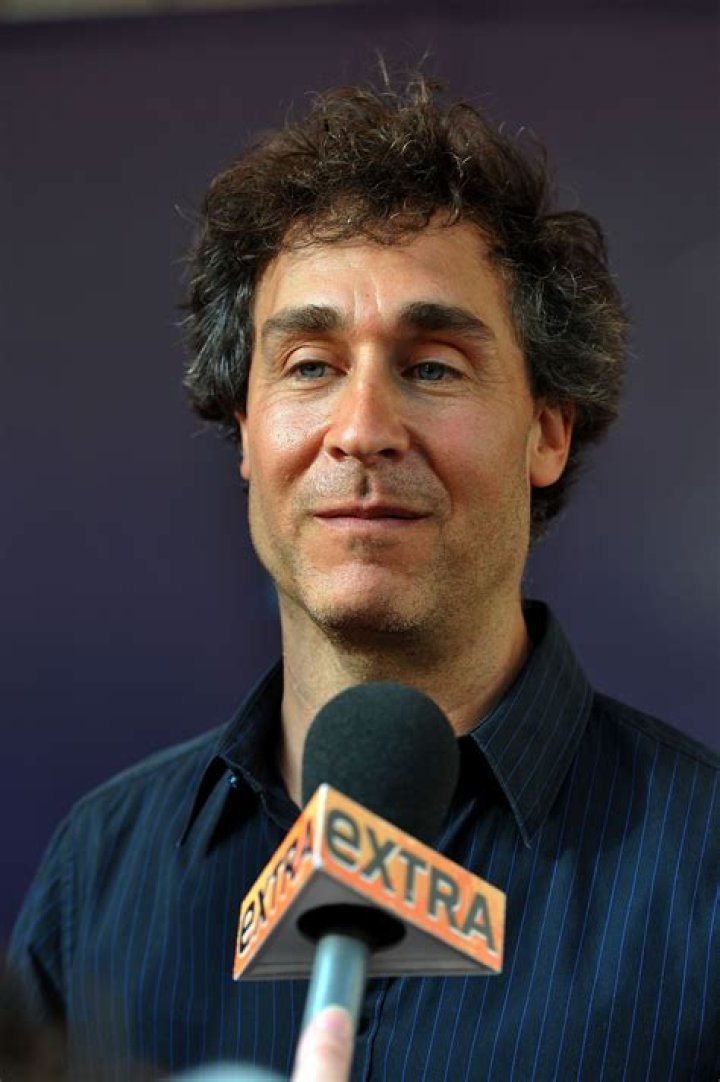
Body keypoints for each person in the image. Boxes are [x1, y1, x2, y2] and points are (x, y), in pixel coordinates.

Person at [8, 76, 718, 1081]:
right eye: (309, 364)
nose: (362, 430)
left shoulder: (706, 863)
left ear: (547, 432)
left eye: (432, 366)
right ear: (245, 433)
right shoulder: (102, 867)